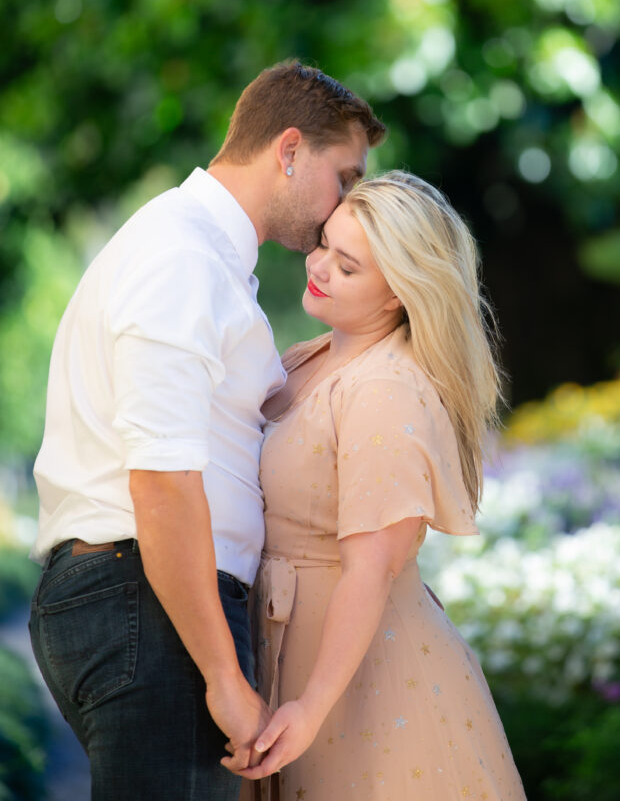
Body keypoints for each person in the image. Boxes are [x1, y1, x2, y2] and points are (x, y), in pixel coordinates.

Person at [28, 60, 386, 801]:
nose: (340, 206)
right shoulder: (182, 257)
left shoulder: (202, 255)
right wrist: (222, 674)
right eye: (342, 177)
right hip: (147, 606)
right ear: (288, 150)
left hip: (147, 605)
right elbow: (160, 475)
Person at [232, 171, 526, 800]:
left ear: (398, 293)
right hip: (295, 651)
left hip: (362, 685)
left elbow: (371, 569)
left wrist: (310, 708)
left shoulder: (385, 388)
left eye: (348, 265)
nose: (320, 267)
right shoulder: (315, 356)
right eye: (324, 245)